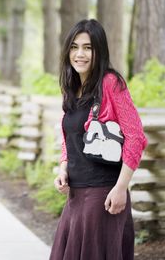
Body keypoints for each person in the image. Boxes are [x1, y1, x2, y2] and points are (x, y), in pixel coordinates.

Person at [49, 19, 148, 260]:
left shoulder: (110, 83)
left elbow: (136, 137)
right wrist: (63, 169)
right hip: (76, 194)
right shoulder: (72, 89)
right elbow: (69, 140)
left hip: (103, 193)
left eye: (87, 48)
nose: (79, 54)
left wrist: (121, 188)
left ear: (99, 51)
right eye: (74, 47)